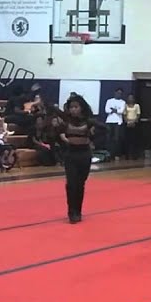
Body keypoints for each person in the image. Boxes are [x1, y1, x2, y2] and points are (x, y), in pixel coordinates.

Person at [60, 95, 95, 223]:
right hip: (71, 154)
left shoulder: (89, 121)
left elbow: (101, 131)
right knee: (71, 184)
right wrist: (65, 139)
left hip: (84, 154)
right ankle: (71, 211)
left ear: (81, 108)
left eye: (76, 107)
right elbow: (59, 134)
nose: (73, 110)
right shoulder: (66, 121)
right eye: (71, 107)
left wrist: (92, 136)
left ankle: (78, 210)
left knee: (80, 184)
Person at [103, 89, 126, 159]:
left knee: (117, 139)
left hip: (118, 122)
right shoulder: (109, 101)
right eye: (118, 93)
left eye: (120, 93)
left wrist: (113, 110)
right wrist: (116, 110)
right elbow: (106, 110)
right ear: (115, 93)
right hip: (109, 121)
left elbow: (121, 111)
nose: (119, 94)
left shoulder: (123, 102)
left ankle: (116, 154)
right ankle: (108, 154)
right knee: (108, 138)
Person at [124, 94, 142, 161]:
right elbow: (124, 115)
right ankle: (127, 155)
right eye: (129, 98)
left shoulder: (137, 106)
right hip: (127, 124)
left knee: (134, 140)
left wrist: (133, 121)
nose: (130, 99)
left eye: (132, 98)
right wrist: (127, 122)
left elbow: (138, 115)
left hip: (135, 124)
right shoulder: (125, 105)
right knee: (127, 140)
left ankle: (134, 155)